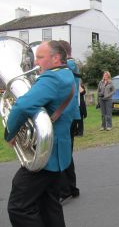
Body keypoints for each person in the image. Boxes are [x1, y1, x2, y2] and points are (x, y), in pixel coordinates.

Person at [5, 40, 76, 227]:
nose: (35, 62)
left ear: (56, 58)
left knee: (19, 207)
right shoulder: (67, 74)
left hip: (45, 156)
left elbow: (22, 106)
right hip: (58, 155)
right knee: (49, 206)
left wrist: (10, 133)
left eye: (40, 57)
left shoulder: (52, 78)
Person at [58, 40, 81, 203]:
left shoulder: (69, 66)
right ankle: (71, 188)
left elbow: (69, 93)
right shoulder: (71, 66)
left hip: (67, 116)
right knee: (66, 152)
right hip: (71, 115)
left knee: (63, 152)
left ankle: (66, 189)